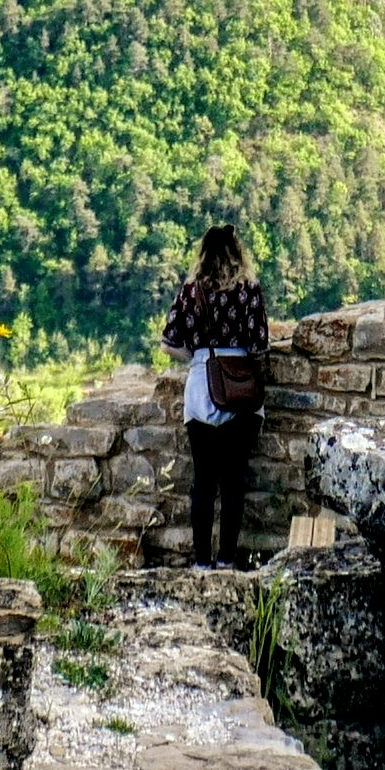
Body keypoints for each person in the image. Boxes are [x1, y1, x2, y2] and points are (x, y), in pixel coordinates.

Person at [162, 223, 269, 567]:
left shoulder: (191, 292)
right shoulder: (249, 291)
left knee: (204, 481)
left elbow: (169, 343)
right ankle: (226, 559)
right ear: (239, 255)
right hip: (238, 390)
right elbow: (259, 345)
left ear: (203, 257)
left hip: (199, 388)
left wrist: (199, 356)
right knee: (234, 480)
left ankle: (202, 560)